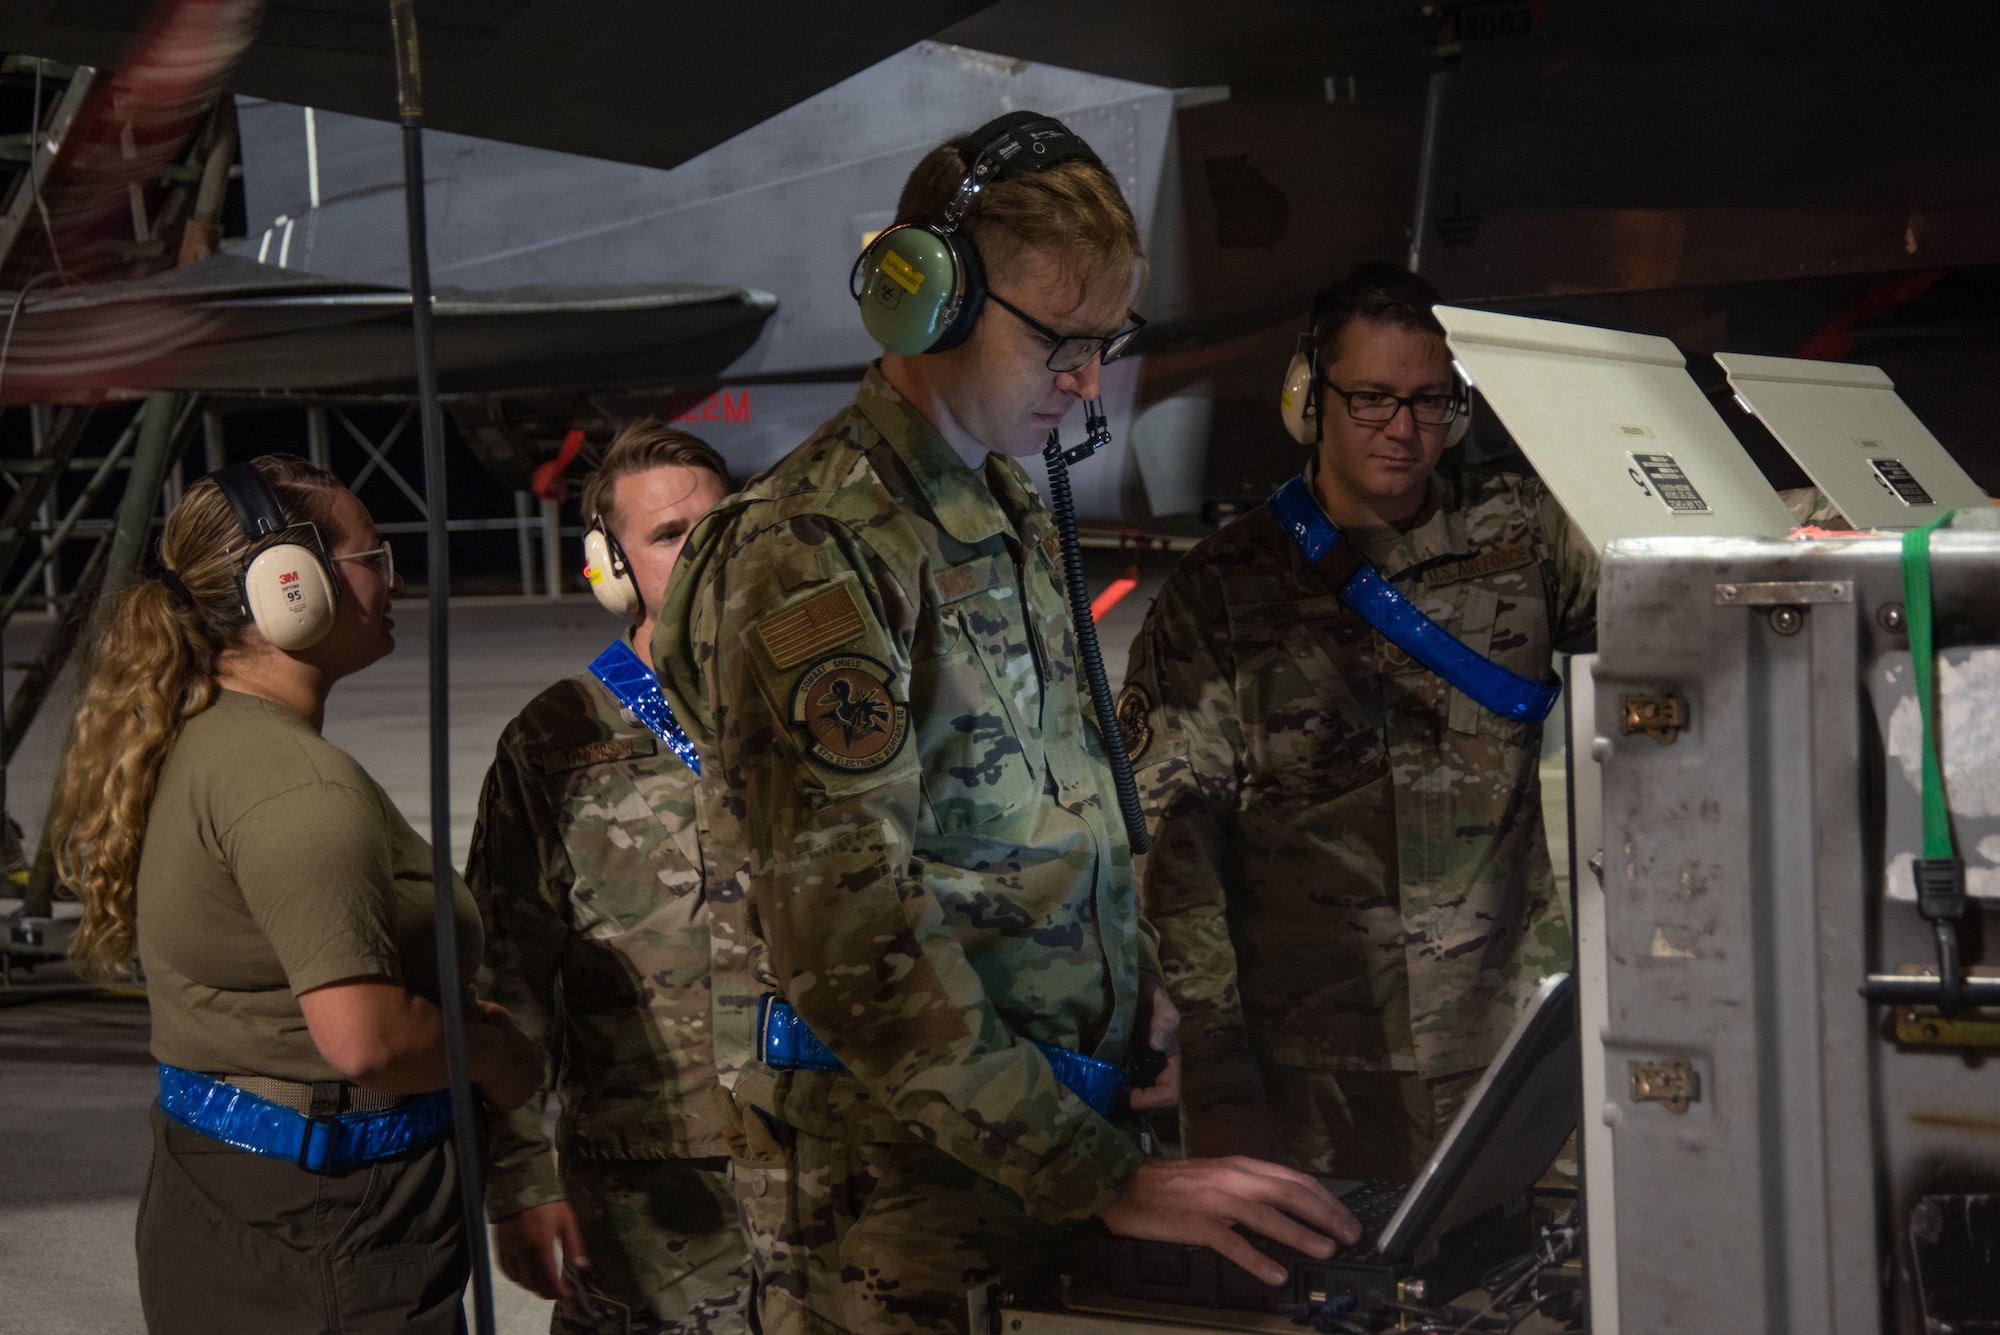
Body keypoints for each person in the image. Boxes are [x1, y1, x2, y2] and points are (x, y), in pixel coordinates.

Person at [652, 112, 1357, 1335]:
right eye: (1059, 342)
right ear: (925, 304)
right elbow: (852, 941)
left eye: (1107, 342)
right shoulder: (812, 553)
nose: (1088, 381)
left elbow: (1037, 810)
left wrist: (1128, 997)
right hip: (901, 1207)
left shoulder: (994, 508)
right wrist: (1102, 1176)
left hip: (1036, 1149)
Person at [48, 453, 545, 1335]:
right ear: (290, 585)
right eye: (371, 558)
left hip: (234, 1195)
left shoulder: (205, 733)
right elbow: (367, 1038)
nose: (393, 580)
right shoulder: (296, 788)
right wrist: (496, 1056)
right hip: (331, 1225)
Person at [1122, 263, 1595, 1180]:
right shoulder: (1224, 591)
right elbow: (1175, 860)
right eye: (1372, 397)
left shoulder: (1524, 535)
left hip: (1505, 1041)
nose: (1403, 430)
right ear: (1311, 397)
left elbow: (1676, 587)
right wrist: (1220, 1086)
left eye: (1428, 401)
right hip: (1316, 1078)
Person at [467, 421, 751, 1335]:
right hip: (653, 1192)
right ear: (611, 568)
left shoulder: (816, 700)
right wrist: (518, 1177)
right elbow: (504, 978)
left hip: (828, 1156)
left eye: (720, 526)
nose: (702, 553)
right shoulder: (557, 740)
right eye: (669, 536)